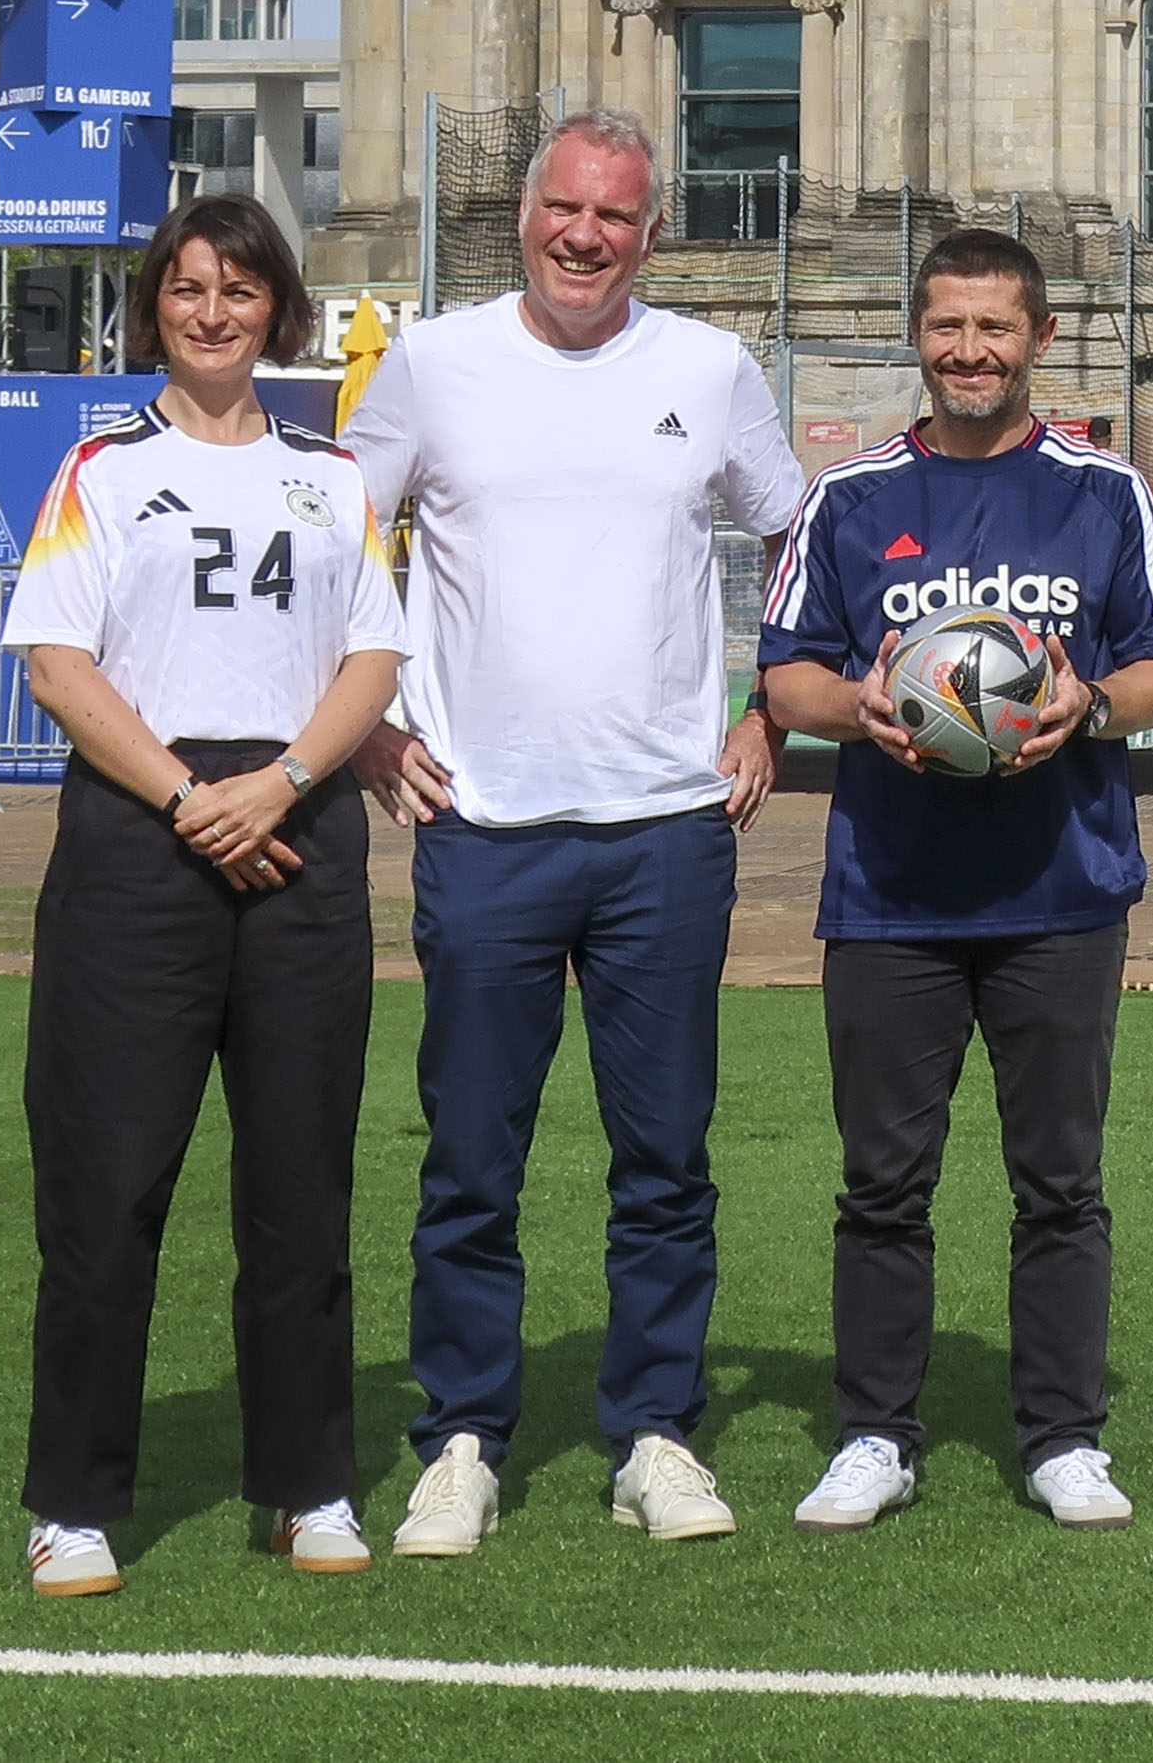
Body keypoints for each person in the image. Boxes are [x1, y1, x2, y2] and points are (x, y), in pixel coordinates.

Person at [346, 109, 810, 1556]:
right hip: (483, 826)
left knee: (664, 1160)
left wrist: (770, 717)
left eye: (616, 216)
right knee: (471, 1160)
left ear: (650, 233)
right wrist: (363, 733)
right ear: (524, 214)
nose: (585, 237)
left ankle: (655, 1435)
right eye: (565, 208)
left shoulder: (710, 370)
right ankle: (462, 1438)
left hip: (668, 828)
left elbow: (800, 539)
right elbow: (329, 541)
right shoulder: (432, 363)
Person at [0, 195, 407, 1599]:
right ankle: (74, 1502)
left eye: (240, 289)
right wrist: (187, 800)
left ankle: (308, 1487)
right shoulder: (100, 471)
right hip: (139, 842)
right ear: (155, 308)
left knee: (299, 1193)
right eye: (188, 290)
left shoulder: (332, 473)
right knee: (107, 1194)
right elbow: (59, 664)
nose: (214, 311)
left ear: (278, 309)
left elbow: (371, 662)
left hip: (298, 835)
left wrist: (281, 783)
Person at [760, 229, 1153, 1535]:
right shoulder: (848, 502)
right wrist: (866, 707)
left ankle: (1064, 1439)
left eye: (995, 328)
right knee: (882, 1183)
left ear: (1040, 339)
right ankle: (875, 1436)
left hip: (1061, 889)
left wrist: (1086, 704)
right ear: (918, 335)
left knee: (1059, 1181)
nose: (969, 351)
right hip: (891, 896)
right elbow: (787, 675)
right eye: (947, 326)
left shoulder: (1106, 494)